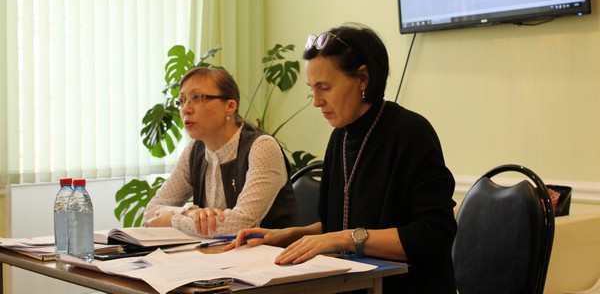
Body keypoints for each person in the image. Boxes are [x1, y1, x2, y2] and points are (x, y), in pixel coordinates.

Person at [226, 23, 457, 293]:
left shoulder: (410, 133)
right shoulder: (341, 137)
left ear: (363, 79)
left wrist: (345, 239)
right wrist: (288, 236)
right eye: (312, 88)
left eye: (324, 87)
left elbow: (433, 233)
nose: (316, 101)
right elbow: (338, 226)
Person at [143, 67, 298, 237]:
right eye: (181, 101)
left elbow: (240, 224)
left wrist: (173, 221)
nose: (186, 109)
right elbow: (151, 211)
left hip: (272, 251)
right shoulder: (195, 149)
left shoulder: (262, 147)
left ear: (230, 106)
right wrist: (189, 213)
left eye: (197, 97)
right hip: (215, 251)